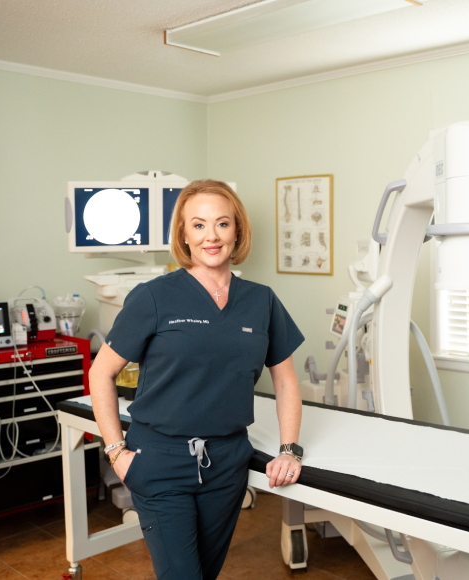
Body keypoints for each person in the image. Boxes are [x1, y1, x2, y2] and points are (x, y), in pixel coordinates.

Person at [89, 179, 305, 580]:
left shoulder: (261, 300)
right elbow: (101, 371)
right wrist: (117, 453)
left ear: (237, 231)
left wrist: (289, 449)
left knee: (204, 573)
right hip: (159, 459)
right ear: (184, 234)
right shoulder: (154, 297)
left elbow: (287, 380)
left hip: (226, 463)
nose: (212, 236)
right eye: (199, 225)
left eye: (222, 224)